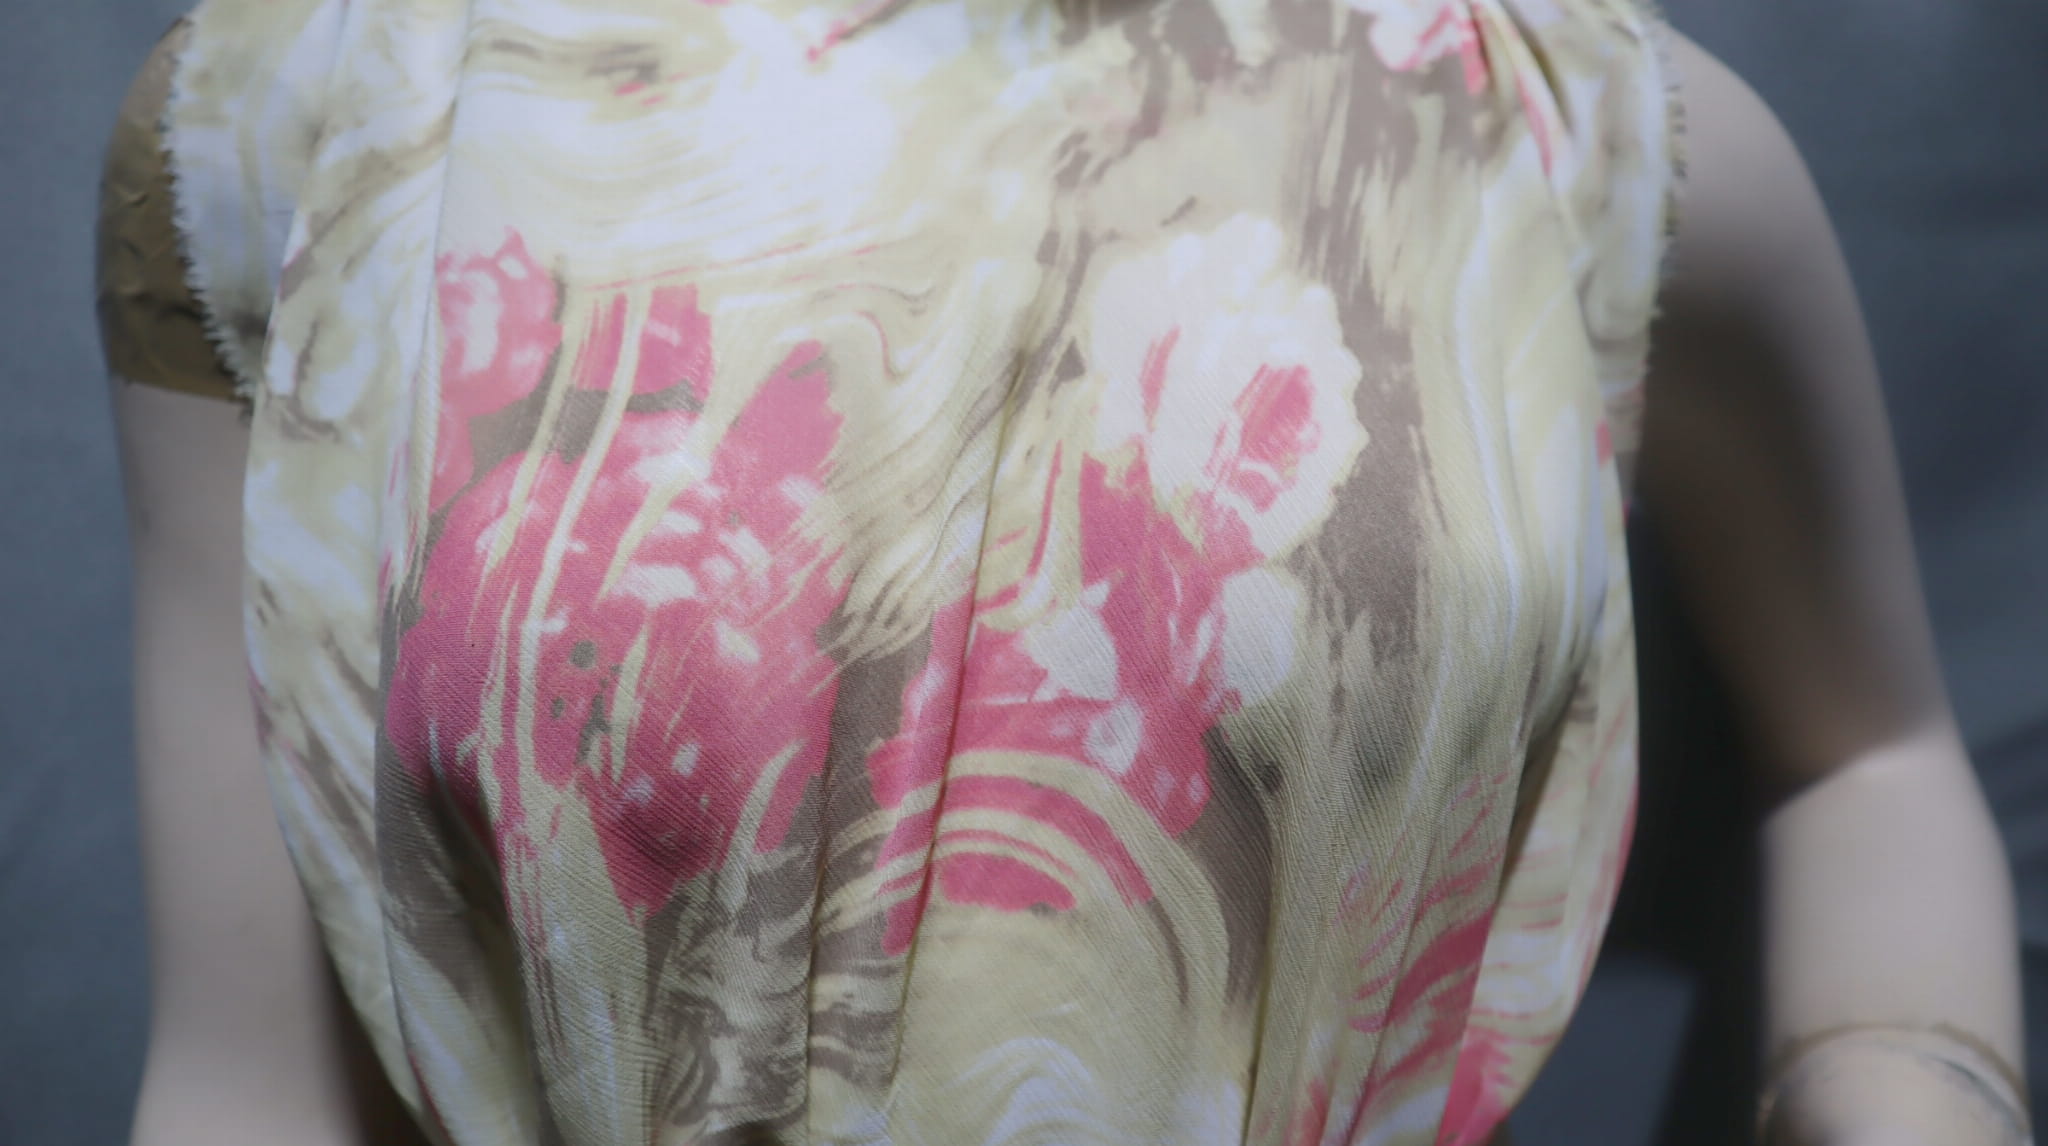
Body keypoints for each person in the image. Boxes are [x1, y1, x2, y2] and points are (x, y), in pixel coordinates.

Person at [95, 0, 2026, 1142]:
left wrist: (1907, 1087)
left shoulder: (1582, 140)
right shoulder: (301, 131)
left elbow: (1868, 748)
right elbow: (256, 1079)